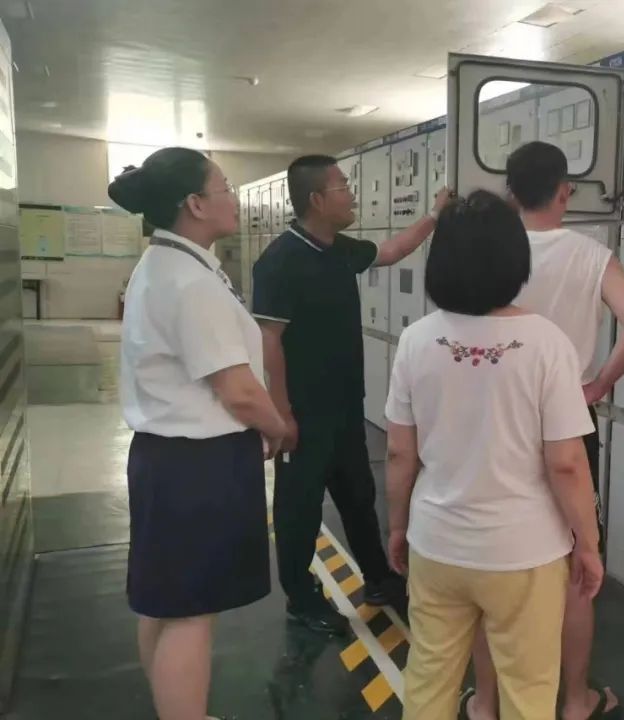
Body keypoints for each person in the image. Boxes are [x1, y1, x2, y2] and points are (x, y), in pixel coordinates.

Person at [385, 190, 604, 720]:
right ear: (514, 260)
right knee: (528, 686)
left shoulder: (416, 340)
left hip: (437, 542)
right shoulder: (547, 343)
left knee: (430, 674)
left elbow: (398, 453)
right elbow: (566, 463)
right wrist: (588, 542)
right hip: (524, 551)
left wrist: (397, 526)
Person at [466, 141, 624, 720]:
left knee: (494, 561)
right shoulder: (591, 255)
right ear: (565, 191)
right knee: (578, 565)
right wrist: (597, 385)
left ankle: (487, 703)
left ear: (510, 193)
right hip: (568, 422)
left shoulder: (489, 253)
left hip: (497, 423)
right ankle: (575, 701)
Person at [111, 148, 288, 720]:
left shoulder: (164, 265)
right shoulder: (189, 282)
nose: (234, 199)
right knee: (192, 612)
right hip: (199, 466)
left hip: (168, 459)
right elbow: (237, 389)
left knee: (165, 604)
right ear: (194, 203)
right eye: (225, 187)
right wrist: (278, 426)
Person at [253, 154, 451, 634]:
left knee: (359, 495)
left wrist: (434, 215)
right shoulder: (280, 261)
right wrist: (281, 414)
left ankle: (378, 577)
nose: (352, 193)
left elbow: (391, 251)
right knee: (300, 508)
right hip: (303, 412)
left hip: (345, 407)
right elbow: (269, 340)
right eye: (343, 186)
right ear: (318, 199)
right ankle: (301, 598)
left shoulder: (338, 249)